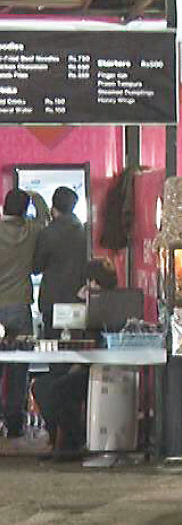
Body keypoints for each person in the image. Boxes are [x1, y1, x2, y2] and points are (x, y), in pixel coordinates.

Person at [32, 257, 118, 460]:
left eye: (93, 281)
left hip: (99, 369)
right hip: (80, 365)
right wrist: (79, 302)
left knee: (59, 389)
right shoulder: (86, 303)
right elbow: (71, 329)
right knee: (41, 387)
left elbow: (97, 340)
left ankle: (74, 441)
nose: (89, 285)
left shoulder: (112, 306)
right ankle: (59, 442)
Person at [0, 189, 49, 450]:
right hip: (19, 305)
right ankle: (15, 423)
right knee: (19, 367)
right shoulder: (32, 230)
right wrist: (35, 197)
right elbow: (45, 217)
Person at [33, 186, 87, 340]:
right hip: (78, 298)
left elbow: (36, 267)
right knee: (76, 347)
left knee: (53, 347)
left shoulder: (47, 233)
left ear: (53, 207)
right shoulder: (84, 232)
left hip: (52, 301)